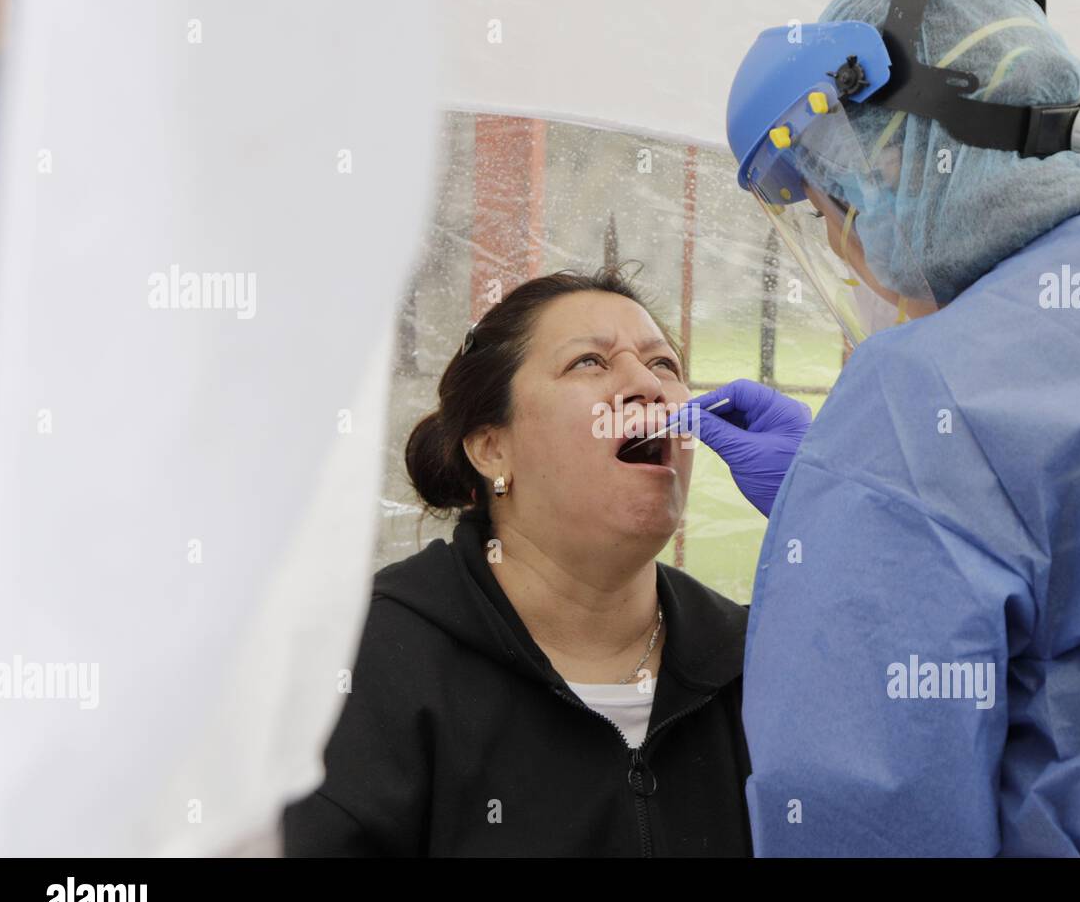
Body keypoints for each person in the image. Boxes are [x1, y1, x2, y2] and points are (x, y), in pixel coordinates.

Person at [683, 0, 1080, 855]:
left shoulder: (919, 396)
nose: (838, 247)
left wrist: (870, 505)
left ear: (887, 165)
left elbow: (867, 815)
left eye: (827, 211)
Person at [282, 267, 753, 857]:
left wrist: (827, 511)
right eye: (589, 362)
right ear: (491, 447)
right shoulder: (371, 656)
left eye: (664, 366)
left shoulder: (751, 663)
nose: (648, 387)